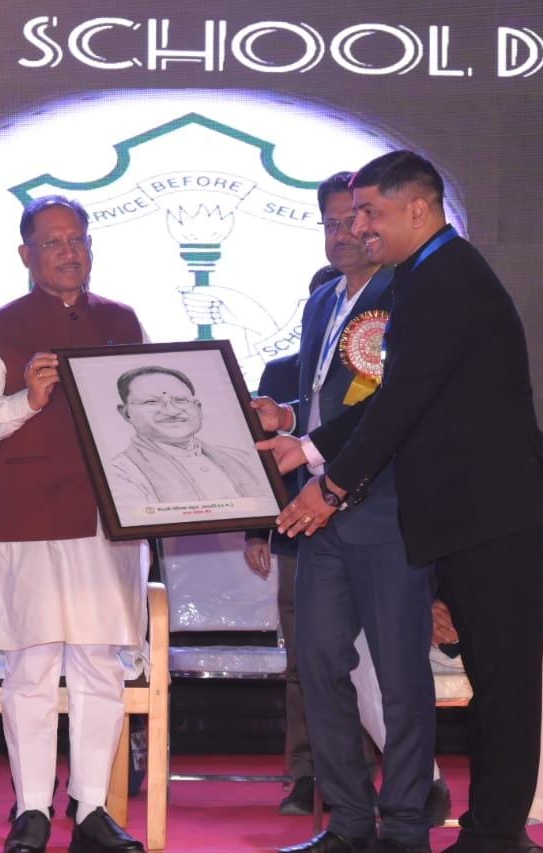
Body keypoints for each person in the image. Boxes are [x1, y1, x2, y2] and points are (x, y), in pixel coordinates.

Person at [267, 150, 543, 853]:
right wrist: (309, 446)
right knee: (494, 680)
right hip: (470, 515)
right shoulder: (431, 273)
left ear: (419, 208)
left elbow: (401, 404)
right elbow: (399, 400)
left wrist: (331, 486)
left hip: (497, 515)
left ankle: (495, 836)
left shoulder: (445, 279)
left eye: (372, 211)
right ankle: (488, 833)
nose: (360, 226)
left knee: (505, 682)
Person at [0, 195, 147, 853]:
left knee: (98, 664)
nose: (69, 251)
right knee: (31, 665)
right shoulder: (2, 326)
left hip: (106, 520)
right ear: (26, 254)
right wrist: (25, 400)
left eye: (77, 239)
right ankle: (31, 807)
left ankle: (91, 807)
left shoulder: (122, 320)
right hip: (29, 514)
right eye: (54, 241)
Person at [256, 171, 436, 853]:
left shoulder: (406, 293)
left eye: (355, 219)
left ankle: (407, 825)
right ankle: (350, 821)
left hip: (385, 507)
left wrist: (313, 448)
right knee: (318, 665)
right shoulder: (323, 301)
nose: (344, 233)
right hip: (320, 513)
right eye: (331, 223)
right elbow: (327, 406)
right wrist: (286, 417)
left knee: (399, 674)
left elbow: (396, 406)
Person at [243, 265, 340, 816]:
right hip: (294, 535)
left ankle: (360, 776)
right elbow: (260, 460)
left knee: (363, 663)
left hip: (360, 530)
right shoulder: (281, 373)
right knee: (302, 663)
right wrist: (256, 529)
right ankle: (304, 775)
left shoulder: (376, 366)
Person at [110, 365, 262, 505]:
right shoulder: (121, 472)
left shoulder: (241, 458)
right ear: (126, 413)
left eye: (180, 400)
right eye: (152, 402)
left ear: (198, 408)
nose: (171, 411)